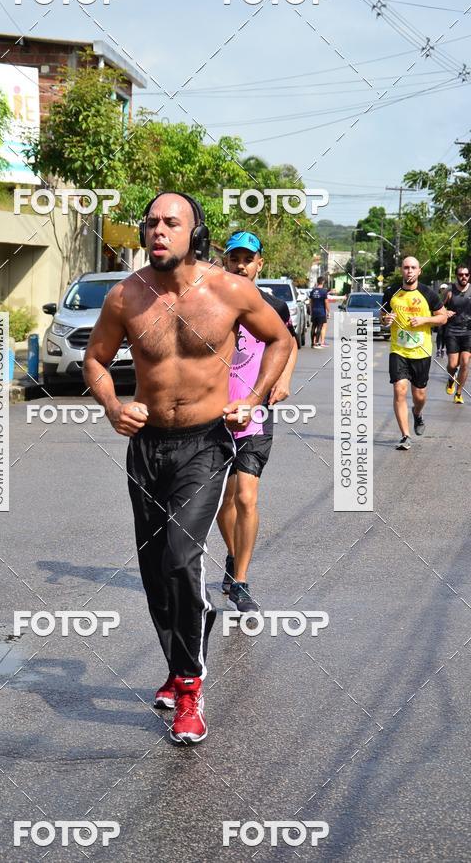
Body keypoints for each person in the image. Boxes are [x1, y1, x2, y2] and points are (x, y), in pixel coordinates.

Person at [83, 193, 291, 744]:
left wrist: (257, 398)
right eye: (150, 222)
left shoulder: (230, 291)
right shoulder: (126, 296)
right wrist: (113, 406)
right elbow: (95, 360)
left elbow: (280, 338)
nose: (158, 231)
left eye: (171, 223)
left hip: (206, 443)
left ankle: (192, 690)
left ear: (194, 232)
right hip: (147, 445)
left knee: (181, 557)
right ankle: (179, 666)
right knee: (155, 572)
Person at [216, 231, 298, 613]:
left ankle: (243, 581)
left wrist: (283, 379)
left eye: (248, 258)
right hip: (212, 415)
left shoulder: (273, 306)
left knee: (246, 496)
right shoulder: (209, 300)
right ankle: (234, 558)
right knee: (222, 502)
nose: (241, 265)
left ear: (259, 263)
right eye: (234, 257)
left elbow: (290, 343)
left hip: (255, 412)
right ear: (225, 260)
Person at [381, 257, 447, 450]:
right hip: (398, 350)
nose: (409, 271)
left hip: (421, 351)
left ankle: (417, 413)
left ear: (419, 271)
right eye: (406, 268)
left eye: (413, 268)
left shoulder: (428, 293)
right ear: (401, 270)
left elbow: (442, 317)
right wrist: (387, 319)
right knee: (399, 389)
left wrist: (424, 320)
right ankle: (405, 435)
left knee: (419, 395)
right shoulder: (391, 292)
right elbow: (382, 317)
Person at [443, 264, 471, 404]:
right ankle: (450, 378)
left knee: (465, 362)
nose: (463, 277)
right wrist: (445, 312)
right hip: (452, 331)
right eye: (461, 275)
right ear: (456, 276)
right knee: (453, 364)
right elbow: (438, 308)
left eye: (466, 274)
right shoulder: (449, 291)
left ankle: (459, 393)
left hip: (468, 331)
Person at [309, 277, 330, 347]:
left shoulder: (313, 291)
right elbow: (326, 302)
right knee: (319, 327)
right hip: (321, 312)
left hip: (314, 311)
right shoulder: (324, 291)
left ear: (317, 282)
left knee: (313, 326)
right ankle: (317, 342)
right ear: (323, 282)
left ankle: (312, 342)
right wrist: (328, 311)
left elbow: (311, 302)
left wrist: (311, 311)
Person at [435, 283, 449, 358]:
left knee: (444, 334)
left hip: (447, 318)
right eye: (442, 289)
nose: (443, 290)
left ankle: (443, 348)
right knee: (439, 333)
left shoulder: (449, 296)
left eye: (444, 289)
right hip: (439, 317)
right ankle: (438, 349)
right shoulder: (438, 297)